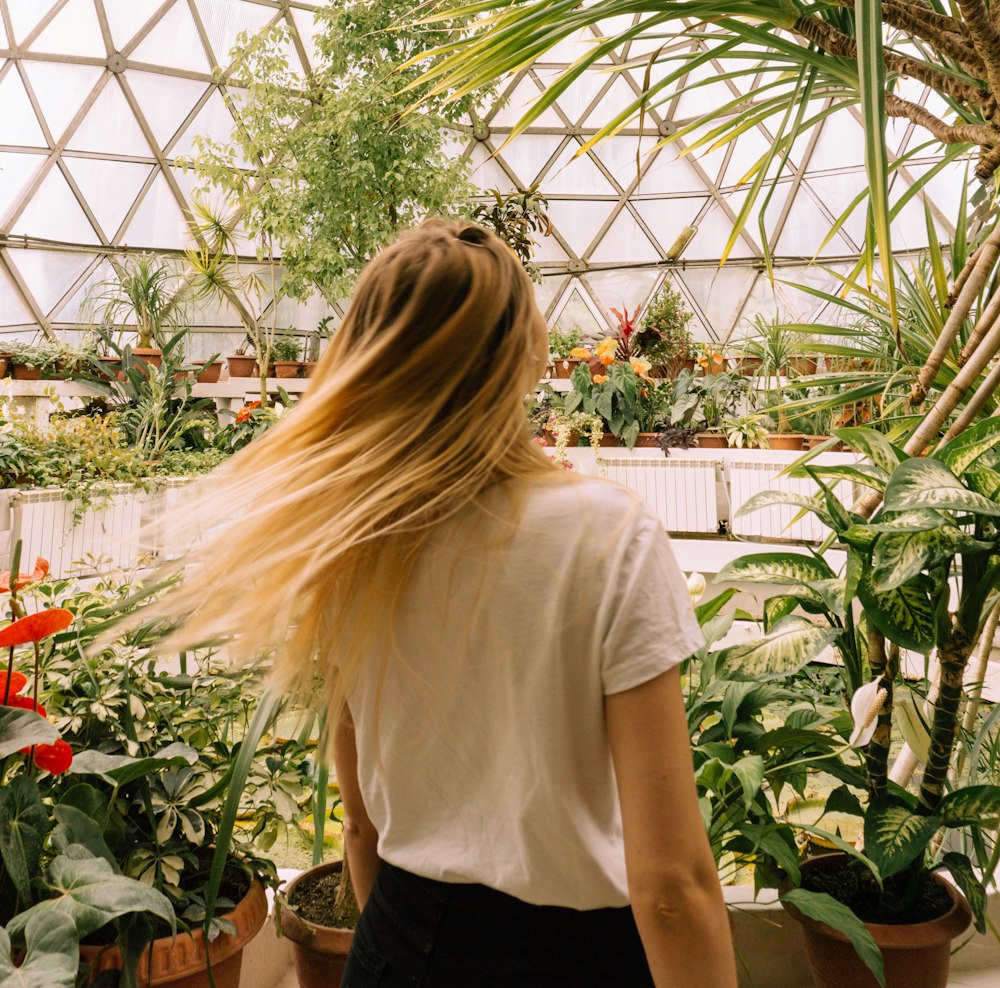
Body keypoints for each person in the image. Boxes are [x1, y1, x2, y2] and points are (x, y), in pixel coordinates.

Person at [160, 220, 737, 988]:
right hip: (580, 958)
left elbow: (359, 825)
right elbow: (670, 888)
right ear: (524, 359)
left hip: (400, 943)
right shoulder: (609, 537)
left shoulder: (350, 543)